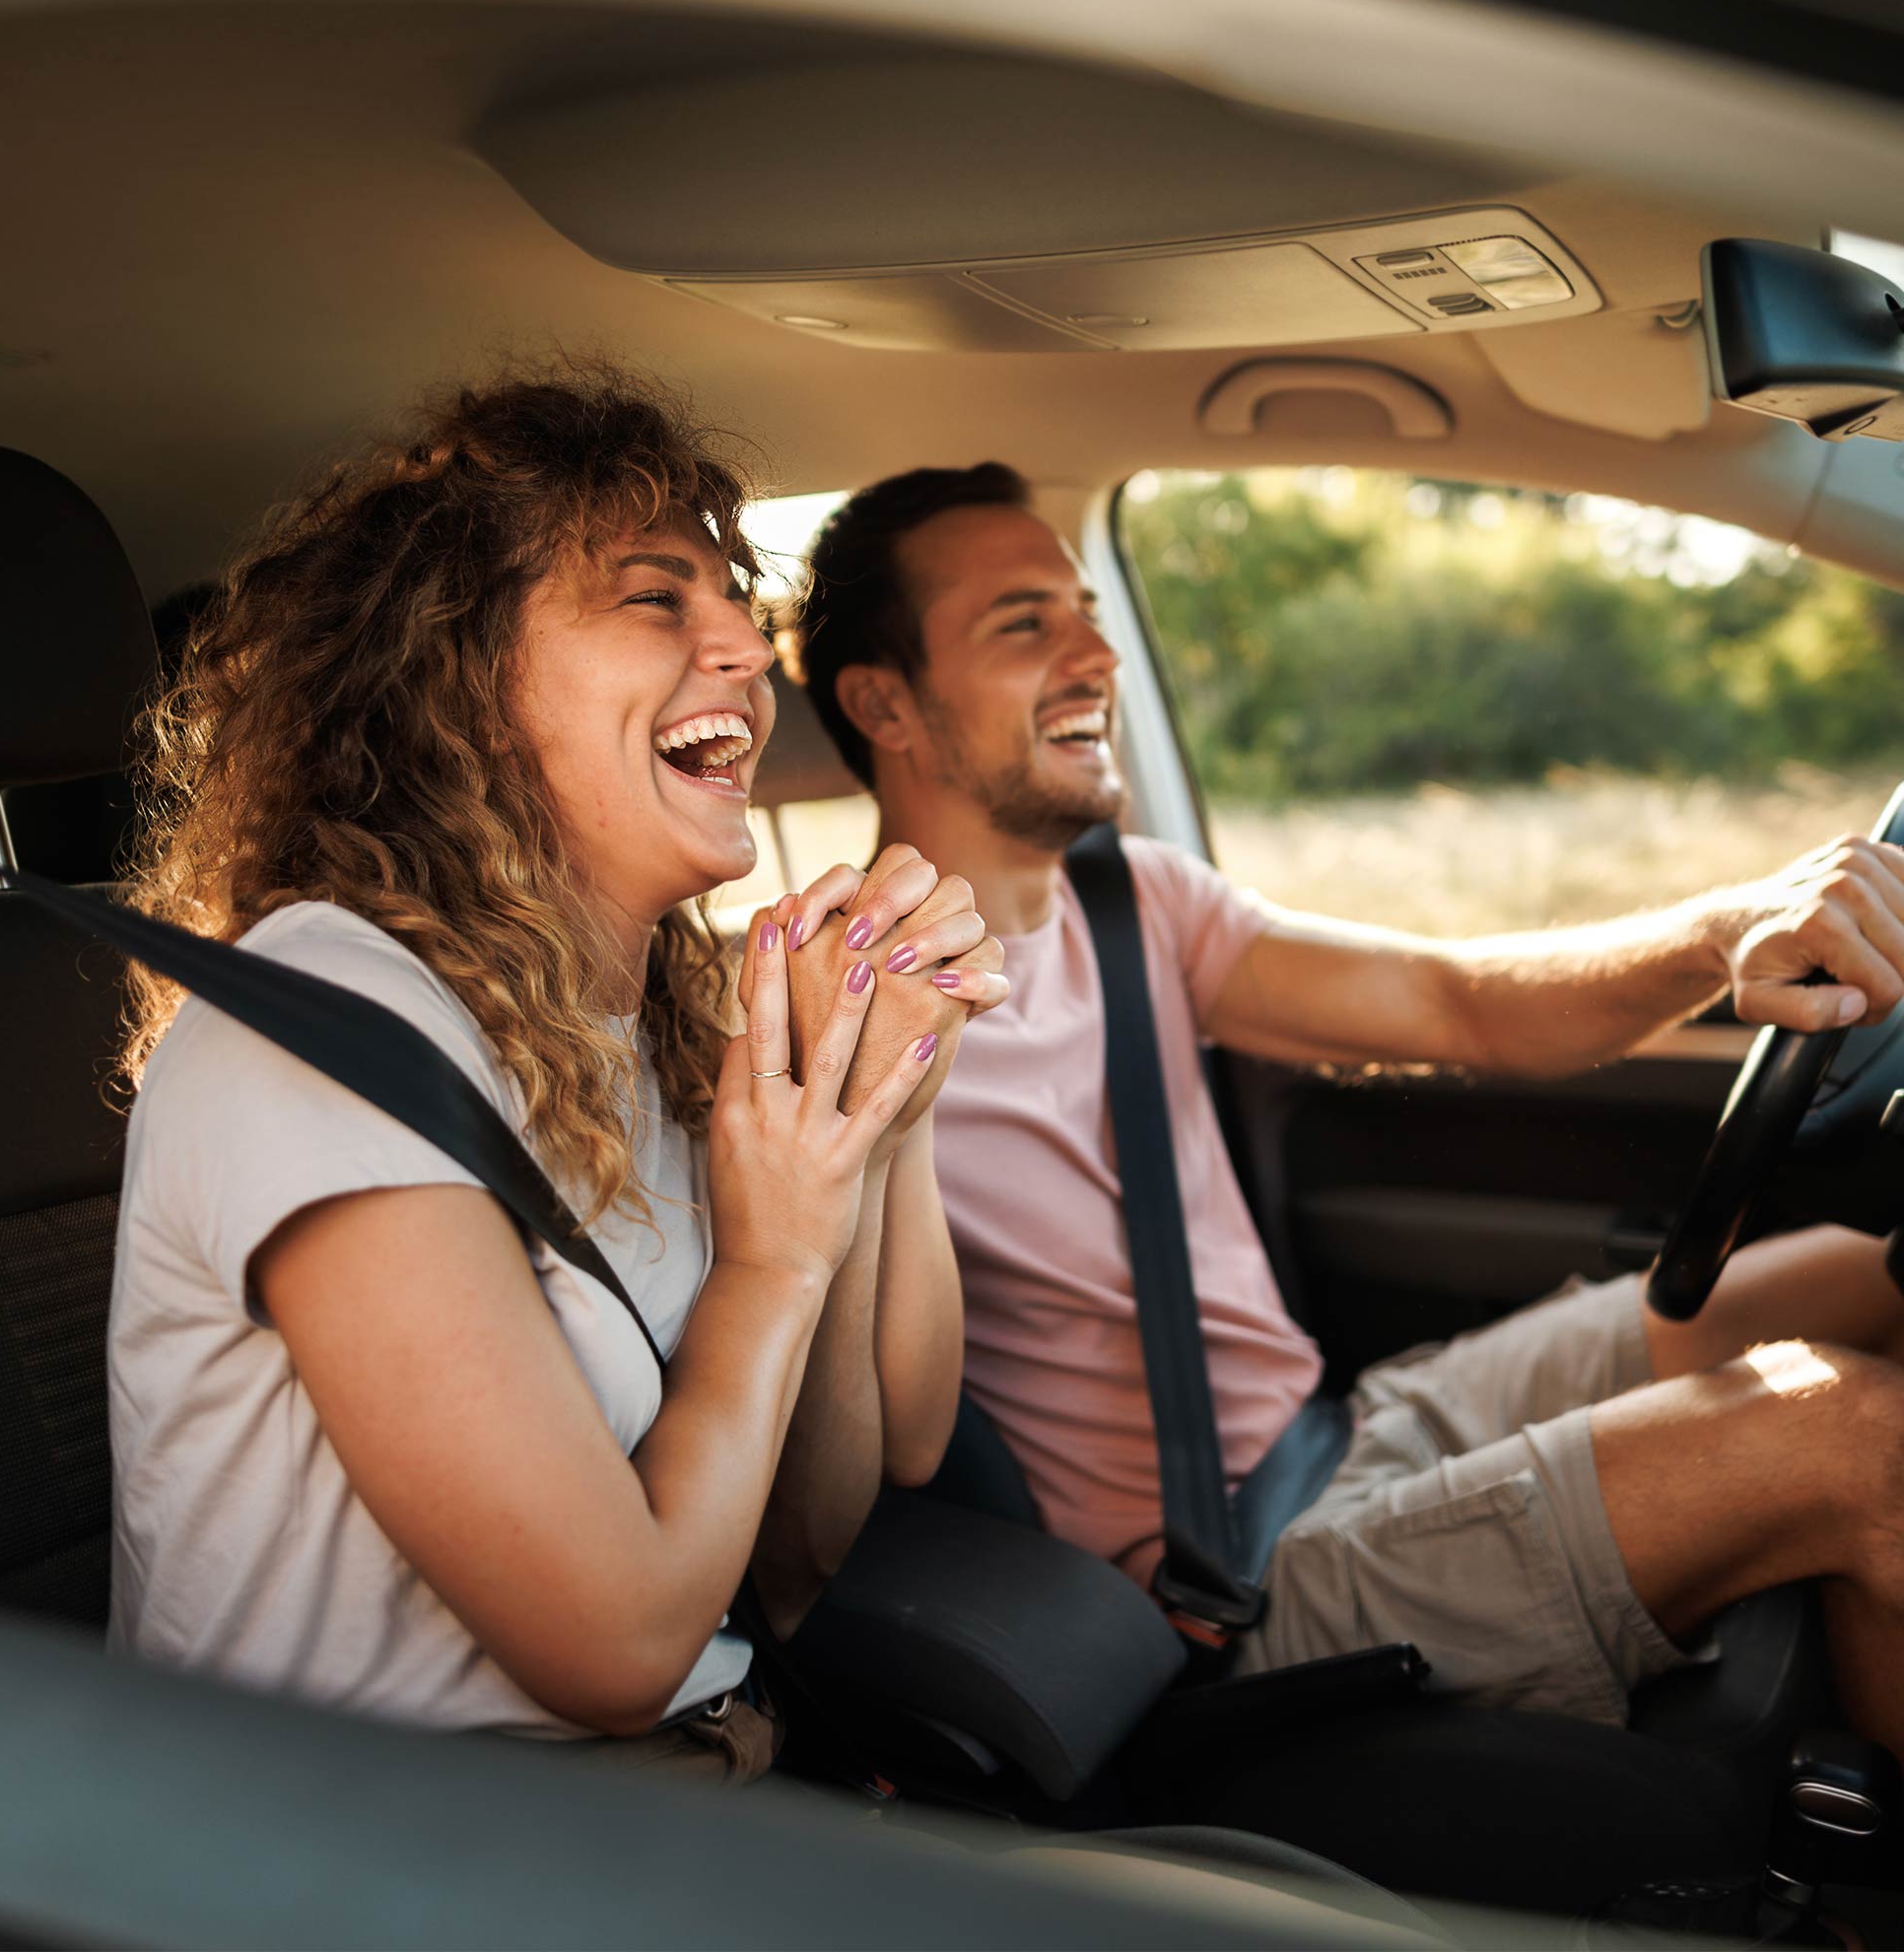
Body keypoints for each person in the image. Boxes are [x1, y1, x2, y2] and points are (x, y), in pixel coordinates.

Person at [787, 459, 1904, 1760]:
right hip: (1236, 1586)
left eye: (1086, 609)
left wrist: (1728, 931)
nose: (1096, 653)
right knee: (1855, 1439)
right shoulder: (847, 1009)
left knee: (1870, 1275)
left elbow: (1459, 1005)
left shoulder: (1133, 899)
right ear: (885, 704)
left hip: (1355, 1424)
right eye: (1023, 624)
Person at [105, 368, 1000, 1779]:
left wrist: (873, 1103)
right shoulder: (322, 1031)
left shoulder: (637, 1030)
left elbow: (805, 1552)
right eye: (656, 598)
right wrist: (767, 1266)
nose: (749, 650)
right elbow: (621, 1648)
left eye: (732, 598)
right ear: (453, 681)